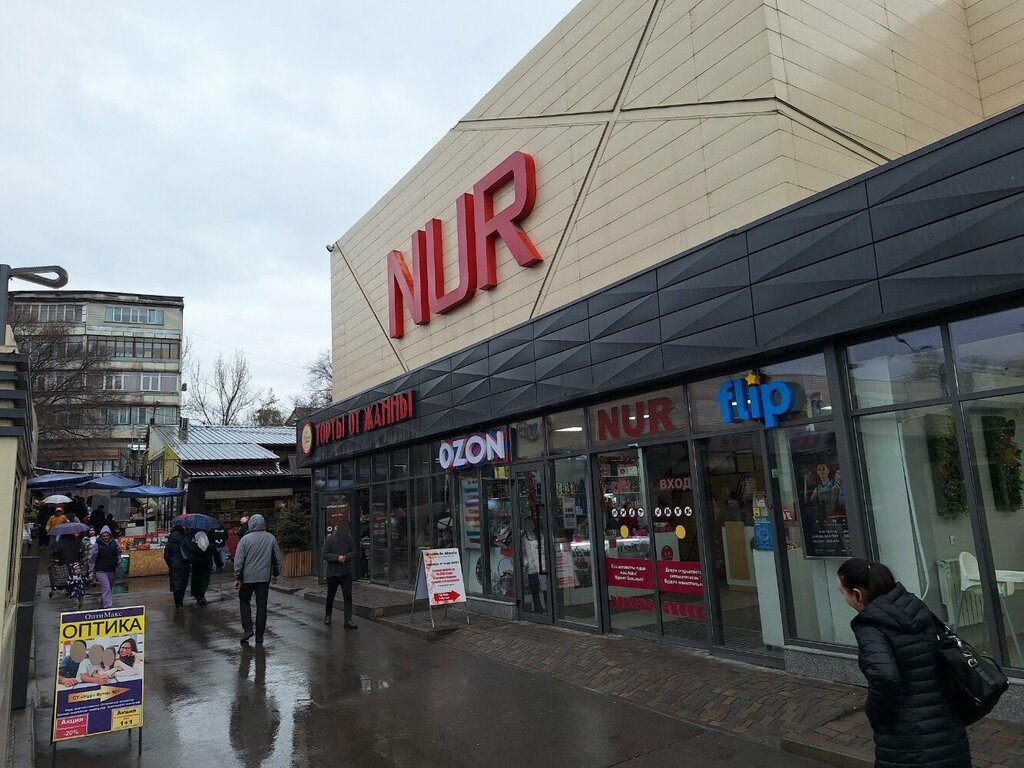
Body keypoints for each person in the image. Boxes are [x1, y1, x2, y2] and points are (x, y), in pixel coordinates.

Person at [837, 558, 970, 768]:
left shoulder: (870, 625)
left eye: (842, 592)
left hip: (908, 740)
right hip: (947, 727)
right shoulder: (916, 608)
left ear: (858, 594)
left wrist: (874, 713)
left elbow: (884, 677)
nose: (843, 598)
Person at [232, 514, 281, 645]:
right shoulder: (270, 538)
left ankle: (247, 629)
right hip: (264, 578)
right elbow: (276, 558)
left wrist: (238, 577)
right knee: (262, 606)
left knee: (244, 601)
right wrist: (275, 573)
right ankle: (260, 636)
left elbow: (239, 560)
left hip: (247, 578)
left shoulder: (245, 540)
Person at [321, 521, 358, 627]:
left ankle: (348, 619)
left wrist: (346, 557)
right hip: (332, 573)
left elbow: (354, 551)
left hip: (346, 572)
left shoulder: (350, 539)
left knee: (348, 595)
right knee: (330, 595)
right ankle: (328, 615)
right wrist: (337, 557)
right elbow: (325, 554)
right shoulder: (330, 539)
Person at [186, 530, 223, 605]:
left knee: (196, 580)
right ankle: (202, 595)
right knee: (205, 580)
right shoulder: (210, 545)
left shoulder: (194, 546)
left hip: (196, 565)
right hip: (207, 565)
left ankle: (198, 596)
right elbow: (216, 555)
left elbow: (189, 555)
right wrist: (219, 564)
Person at [89, 526, 121, 609]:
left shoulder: (115, 542)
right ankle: (108, 607)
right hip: (101, 570)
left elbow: (119, 553)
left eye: (107, 535)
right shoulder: (97, 545)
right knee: (106, 588)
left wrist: (119, 559)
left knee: (109, 588)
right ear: (101, 536)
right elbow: (92, 559)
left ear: (110, 535)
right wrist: (92, 571)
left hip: (112, 569)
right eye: (104, 536)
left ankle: (104, 601)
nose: (106, 537)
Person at [163, 525, 191, 610]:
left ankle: (177, 604)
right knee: (182, 585)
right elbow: (188, 553)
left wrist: (170, 564)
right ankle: (181, 603)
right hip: (183, 565)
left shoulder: (169, 542)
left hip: (173, 565)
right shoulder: (184, 540)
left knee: (175, 585)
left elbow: (166, 556)